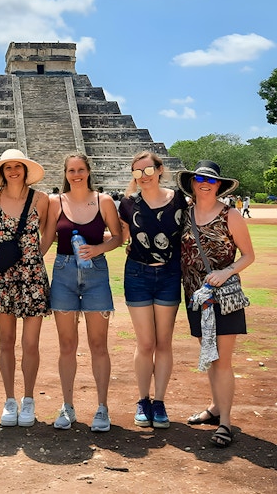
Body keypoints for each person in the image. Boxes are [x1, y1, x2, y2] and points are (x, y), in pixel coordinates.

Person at [41, 153, 122, 432]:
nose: (76, 175)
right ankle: (67, 405)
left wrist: (98, 248)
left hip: (96, 273)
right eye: (71, 170)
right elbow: (46, 240)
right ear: (65, 174)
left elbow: (118, 237)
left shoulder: (105, 201)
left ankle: (102, 407)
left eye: (81, 170)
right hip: (63, 272)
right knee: (67, 345)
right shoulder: (55, 203)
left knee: (98, 345)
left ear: (89, 172)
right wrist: (23, 262)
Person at [177, 161, 254, 448]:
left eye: (211, 180)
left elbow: (248, 255)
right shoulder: (184, 214)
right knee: (209, 355)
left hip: (223, 297)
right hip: (195, 297)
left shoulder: (230, 215)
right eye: (199, 178)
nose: (205, 183)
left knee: (222, 359)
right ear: (193, 183)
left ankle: (225, 423)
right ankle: (215, 407)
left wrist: (225, 272)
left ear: (219, 185)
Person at [118, 151, 188, 429]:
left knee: (164, 342)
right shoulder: (127, 204)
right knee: (145, 343)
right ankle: (142, 398)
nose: (143, 177)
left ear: (159, 170)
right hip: (137, 273)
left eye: (148, 170)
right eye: (137, 172)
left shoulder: (180, 200)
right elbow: (119, 237)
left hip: (170, 273)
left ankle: (159, 401)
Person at [0, 149, 50, 427]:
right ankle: (10, 399)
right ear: (2, 172)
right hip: (3, 277)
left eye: (17, 166)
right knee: (6, 342)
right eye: (7, 167)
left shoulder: (42, 200)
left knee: (30, 343)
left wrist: (33, 258)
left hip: (32, 276)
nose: (13, 171)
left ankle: (29, 398)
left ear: (25, 170)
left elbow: (47, 234)